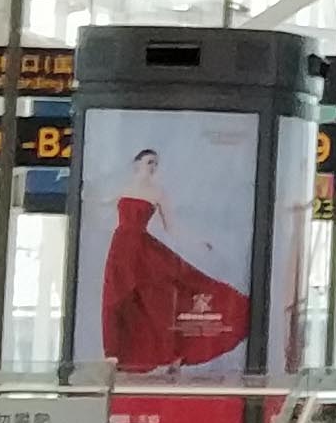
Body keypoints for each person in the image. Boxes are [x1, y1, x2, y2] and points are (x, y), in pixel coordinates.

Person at [99, 145, 251, 373]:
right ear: (137, 163)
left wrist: (198, 241)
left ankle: (171, 352)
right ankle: (113, 353)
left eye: (155, 163)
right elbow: (97, 202)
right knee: (116, 298)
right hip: (121, 247)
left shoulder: (158, 192)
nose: (152, 167)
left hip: (142, 248)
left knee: (159, 298)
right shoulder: (122, 187)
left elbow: (172, 227)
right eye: (149, 162)